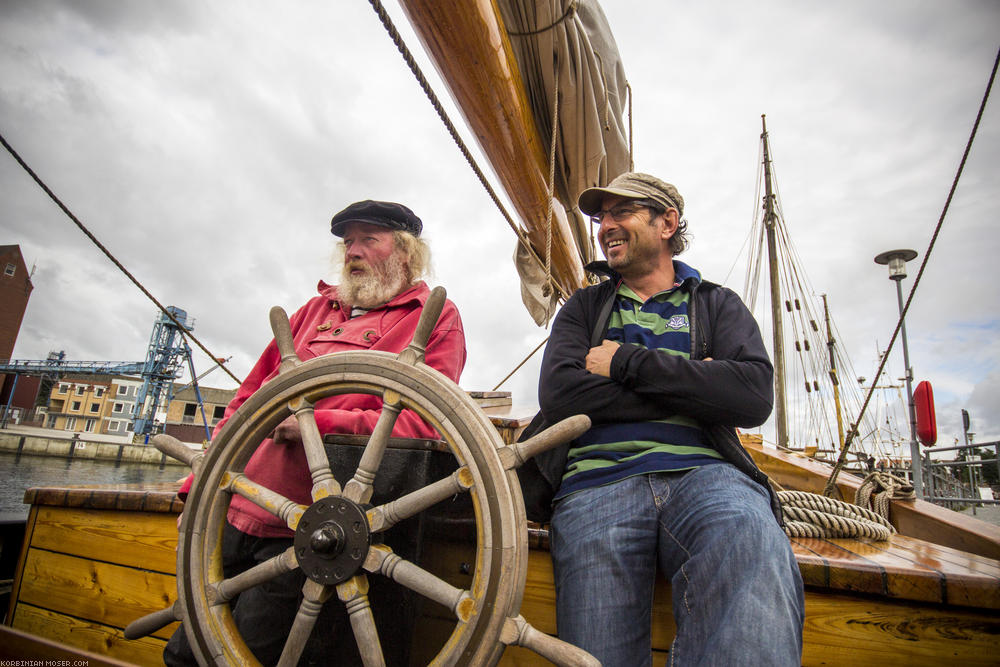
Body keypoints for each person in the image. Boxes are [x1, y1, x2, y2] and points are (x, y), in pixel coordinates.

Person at [517, 172, 804, 665]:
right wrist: (697, 384)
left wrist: (626, 364)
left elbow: (753, 396)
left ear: (667, 222)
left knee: (750, 539)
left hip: (707, 478)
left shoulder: (716, 304)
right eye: (600, 217)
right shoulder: (584, 309)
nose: (605, 225)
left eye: (620, 213)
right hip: (596, 485)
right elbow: (562, 394)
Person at [164, 200, 467, 666]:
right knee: (184, 653)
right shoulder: (313, 310)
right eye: (348, 242)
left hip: (313, 528)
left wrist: (314, 423)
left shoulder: (434, 317)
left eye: (370, 239)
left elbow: (425, 428)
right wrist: (196, 489)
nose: (354, 251)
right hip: (234, 506)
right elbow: (245, 403)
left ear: (405, 252)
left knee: (246, 655)